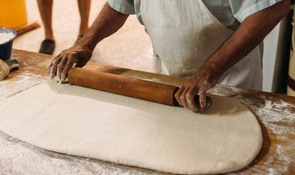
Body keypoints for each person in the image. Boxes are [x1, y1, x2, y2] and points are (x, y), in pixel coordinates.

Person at [47, 0, 291, 112]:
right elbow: (119, 4)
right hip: (173, 85)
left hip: (231, 85)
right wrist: (86, 43)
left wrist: (211, 70)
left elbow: (272, 7)